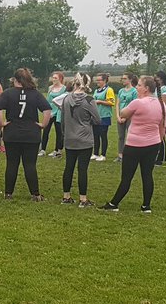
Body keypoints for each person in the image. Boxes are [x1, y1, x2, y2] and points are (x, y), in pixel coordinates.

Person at [101, 76, 166, 213]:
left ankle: (114, 204)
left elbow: (123, 113)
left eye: (139, 85)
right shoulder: (162, 105)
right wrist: (158, 142)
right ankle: (146, 206)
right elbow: (162, 126)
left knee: (127, 177)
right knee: (147, 175)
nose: (136, 87)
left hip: (134, 145)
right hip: (153, 144)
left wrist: (129, 110)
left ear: (146, 89)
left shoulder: (137, 103)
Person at [0, 68, 52, 201]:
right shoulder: (35, 94)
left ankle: (8, 194)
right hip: (31, 134)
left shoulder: (8, 93)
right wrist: (43, 124)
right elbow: (47, 109)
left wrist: (2, 123)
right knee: (30, 165)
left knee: (12, 164)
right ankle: (35, 195)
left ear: (16, 80)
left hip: (12, 133)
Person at [59, 73, 100, 207]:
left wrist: (66, 134)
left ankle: (66, 197)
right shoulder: (89, 100)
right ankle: (83, 199)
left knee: (68, 168)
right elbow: (97, 119)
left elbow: (63, 120)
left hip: (70, 138)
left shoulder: (65, 99)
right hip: (85, 139)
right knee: (82, 169)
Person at [42, 71, 67, 158]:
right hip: (50, 112)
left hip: (59, 112)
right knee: (45, 130)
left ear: (60, 79)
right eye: (53, 78)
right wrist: (48, 112)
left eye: (55, 78)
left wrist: (55, 112)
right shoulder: (50, 88)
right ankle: (42, 149)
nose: (53, 79)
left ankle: (57, 150)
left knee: (59, 132)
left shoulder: (64, 89)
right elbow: (48, 101)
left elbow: (63, 101)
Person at [114, 73, 138, 162]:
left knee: (130, 136)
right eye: (122, 78)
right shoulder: (121, 91)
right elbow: (117, 104)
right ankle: (120, 155)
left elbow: (135, 105)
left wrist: (126, 117)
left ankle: (131, 155)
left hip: (130, 117)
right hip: (120, 116)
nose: (122, 80)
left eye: (124, 78)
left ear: (130, 80)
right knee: (121, 136)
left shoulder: (134, 91)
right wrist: (117, 116)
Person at [91, 73, 116, 161]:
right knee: (95, 135)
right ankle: (95, 153)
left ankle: (103, 154)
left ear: (104, 81)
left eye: (99, 80)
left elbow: (112, 102)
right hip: (96, 116)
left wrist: (100, 102)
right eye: (96, 80)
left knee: (103, 135)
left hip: (104, 116)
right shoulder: (96, 90)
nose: (97, 82)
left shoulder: (109, 90)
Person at [153, 70, 166, 165]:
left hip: (162, 114)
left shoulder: (164, 89)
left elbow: (163, 103)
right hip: (154, 113)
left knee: (161, 135)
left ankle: (160, 158)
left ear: (160, 79)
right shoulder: (156, 88)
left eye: (156, 77)